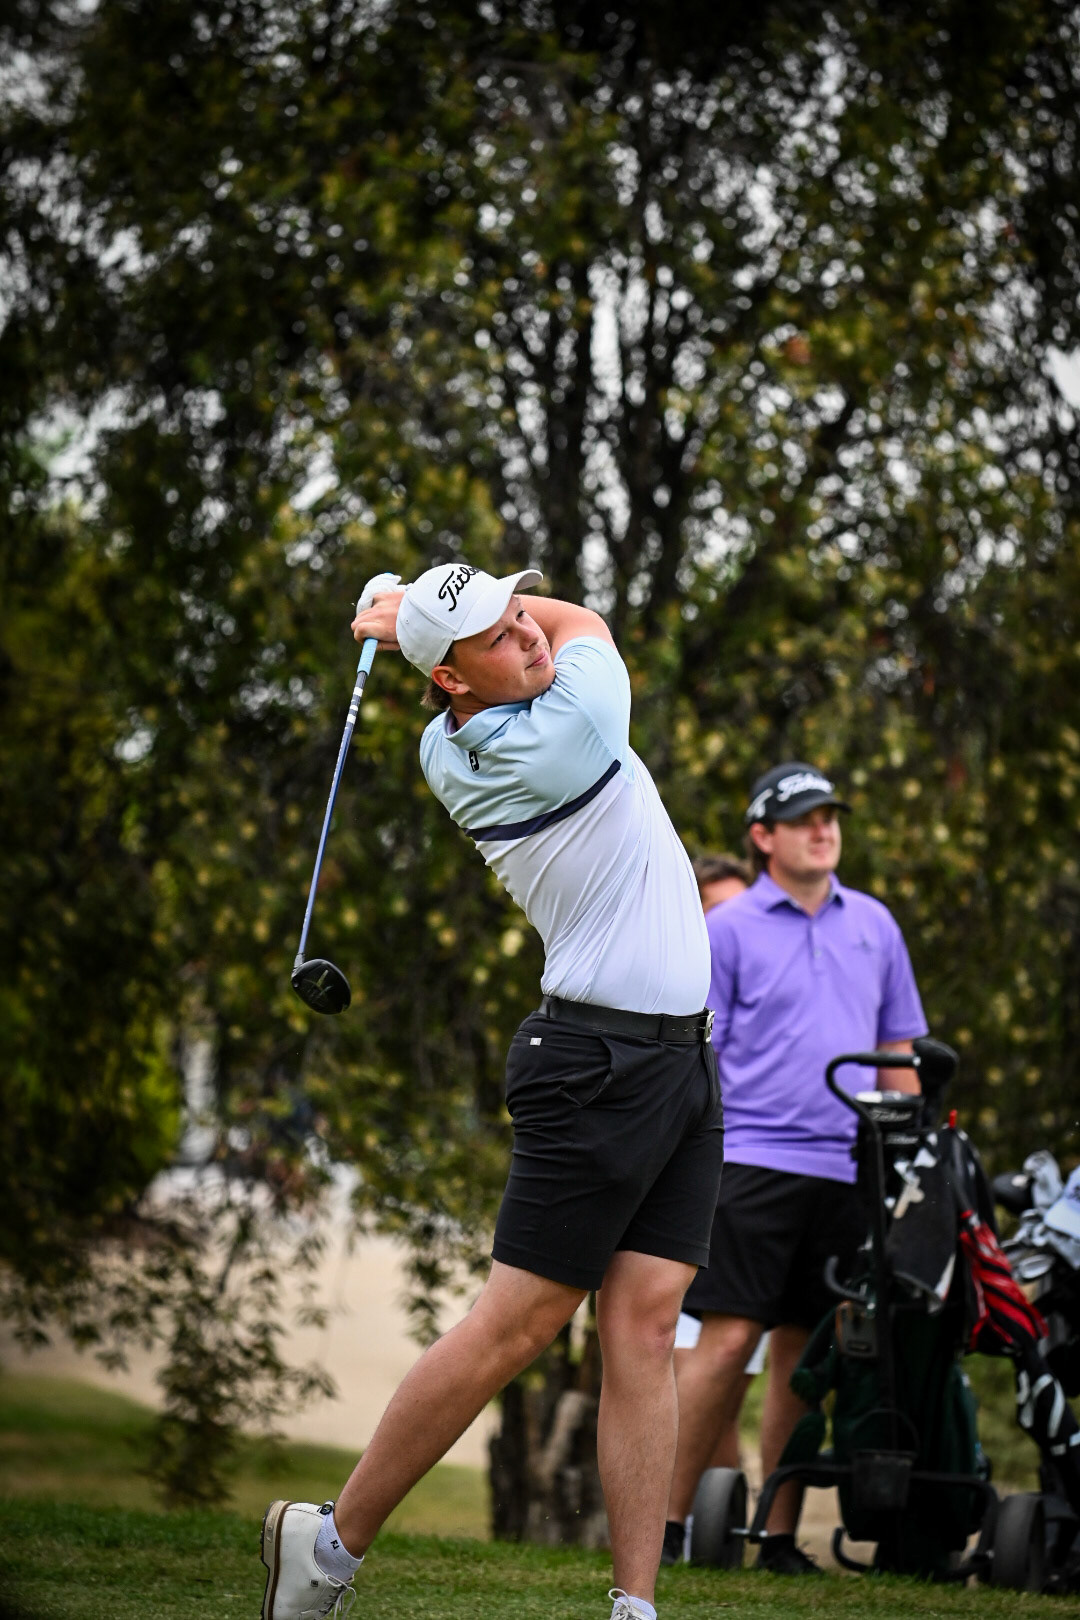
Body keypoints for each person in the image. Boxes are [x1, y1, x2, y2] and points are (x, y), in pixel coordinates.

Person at [261, 562, 724, 1620]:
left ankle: (636, 1608)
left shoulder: (451, 735)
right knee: (514, 1327)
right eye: (500, 635)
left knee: (647, 1328)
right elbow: (588, 617)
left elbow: (533, 634)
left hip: (680, 1062)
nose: (529, 633)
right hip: (596, 1064)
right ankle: (327, 1547)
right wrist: (408, 616)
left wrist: (426, 618)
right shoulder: (566, 730)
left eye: (520, 612)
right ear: (451, 680)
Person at [663, 762, 928, 1575]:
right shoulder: (728, 928)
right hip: (750, 1160)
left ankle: (775, 1537)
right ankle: (664, 1525)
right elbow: (697, 1054)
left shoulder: (875, 923)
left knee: (803, 1359)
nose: (823, 829)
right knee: (727, 1341)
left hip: (850, 1169)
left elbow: (897, 1049)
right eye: (805, 818)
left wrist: (910, 1154)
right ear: (763, 836)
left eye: (830, 816)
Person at [672, 855, 763, 1491]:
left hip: (748, 1209)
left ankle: (718, 1530)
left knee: (722, 1402)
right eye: (717, 912)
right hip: (680, 1214)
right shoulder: (673, 1000)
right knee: (686, 1384)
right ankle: (680, 1527)